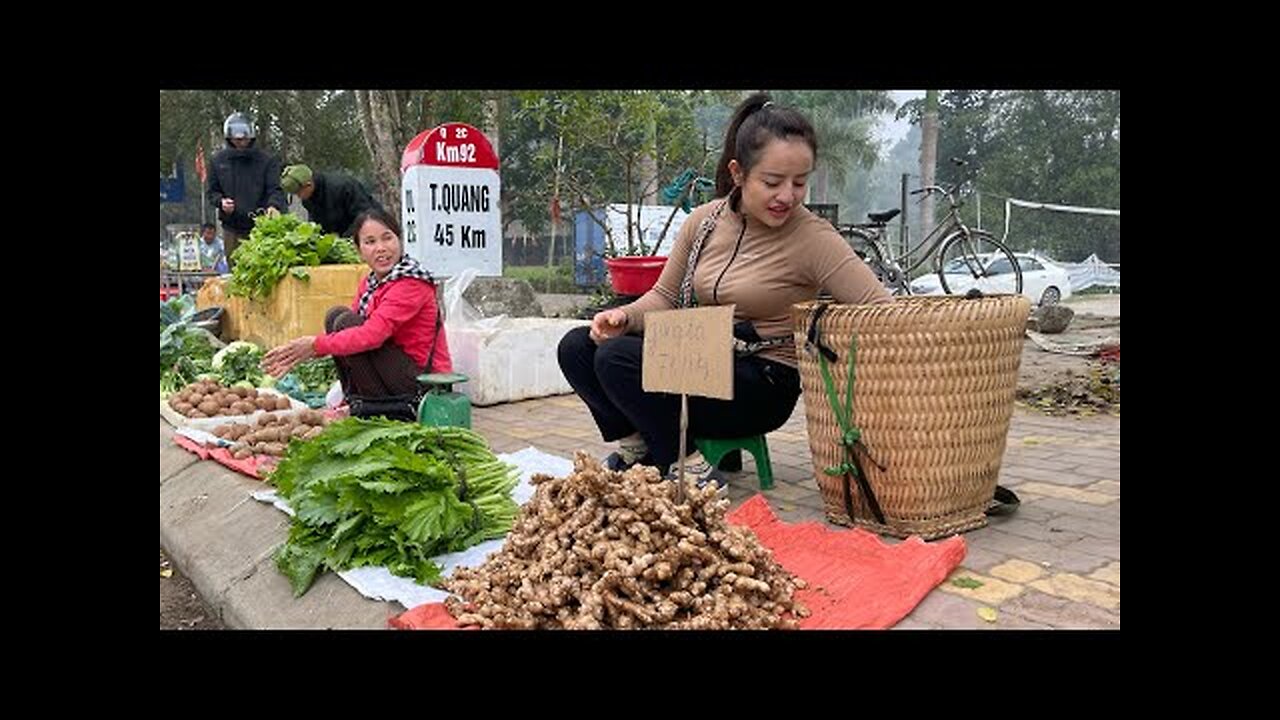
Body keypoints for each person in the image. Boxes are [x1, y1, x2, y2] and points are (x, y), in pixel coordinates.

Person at [557, 93, 892, 489]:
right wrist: (624, 317)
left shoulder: (814, 237)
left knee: (617, 359)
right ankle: (639, 446)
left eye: (799, 183)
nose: (787, 195)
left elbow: (882, 311)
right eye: (772, 182)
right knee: (578, 346)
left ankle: (684, 465)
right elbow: (665, 297)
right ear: (738, 173)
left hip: (761, 382)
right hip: (704, 359)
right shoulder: (704, 221)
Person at [261, 208, 451, 418]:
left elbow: (372, 335)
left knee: (346, 323)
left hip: (423, 383)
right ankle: (357, 401)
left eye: (387, 238)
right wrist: (312, 347)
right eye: (370, 242)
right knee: (336, 316)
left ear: (399, 240)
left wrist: (315, 345)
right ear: (359, 250)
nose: (381, 248)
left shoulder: (411, 283)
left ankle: (375, 408)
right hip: (396, 372)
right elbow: (352, 341)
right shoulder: (371, 284)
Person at [206, 112, 288, 269]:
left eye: (244, 139)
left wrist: (273, 205)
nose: (241, 142)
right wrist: (221, 202)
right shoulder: (218, 161)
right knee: (236, 271)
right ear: (229, 138)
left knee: (262, 270)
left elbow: (275, 189)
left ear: (251, 136)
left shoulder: (267, 161)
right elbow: (212, 192)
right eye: (236, 139)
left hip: (260, 227)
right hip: (232, 227)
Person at [279, 164, 384, 237]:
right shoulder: (308, 199)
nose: (299, 197)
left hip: (370, 231)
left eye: (298, 193)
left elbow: (365, 215)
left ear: (308, 185)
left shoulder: (343, 186)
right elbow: (317, 225)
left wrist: (346, 238)